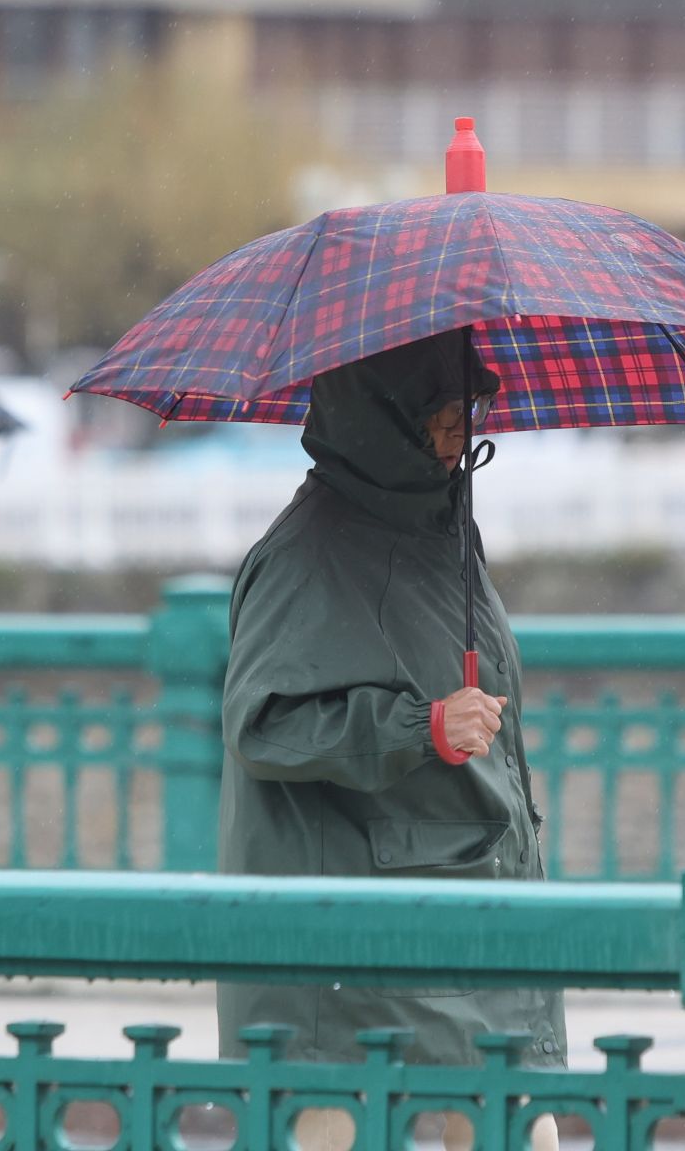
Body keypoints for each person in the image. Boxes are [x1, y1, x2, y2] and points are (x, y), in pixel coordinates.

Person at [217, 332, 563, 1151]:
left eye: (468, 416)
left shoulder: (443, 528)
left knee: (524, 1130)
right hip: (359, 933)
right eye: (445, 418)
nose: (462, 438)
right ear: (385, 420)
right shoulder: (312, 548)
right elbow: (262, 724)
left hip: (461, 894)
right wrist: (423, 726)